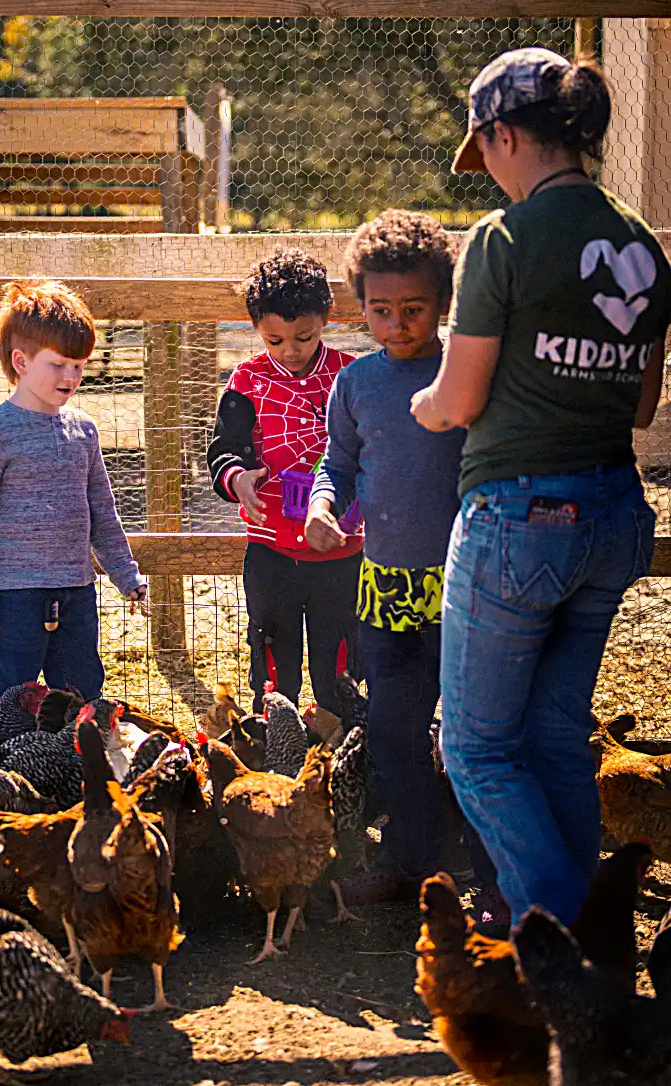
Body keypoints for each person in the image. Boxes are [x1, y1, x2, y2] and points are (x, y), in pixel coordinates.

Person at [411, 47, 671, 927]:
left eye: (482, 150)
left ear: (506, 133)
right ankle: (595, 934)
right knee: (559, 733)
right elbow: (639, 407)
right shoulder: (641, 243)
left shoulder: (503, 240)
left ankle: (561, 942)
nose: (483, 171)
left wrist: (422, 399)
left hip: (519, 517)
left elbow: (458, 400)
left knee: (477, 747)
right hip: (612, 515)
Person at [305, 211, 465, 902]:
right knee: (394, 726)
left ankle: (475, 861)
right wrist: (320, 506)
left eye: (413, 309)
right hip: (387, 586)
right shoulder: (358, 383)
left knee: (467, 729)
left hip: (463, 584)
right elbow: (337, 463)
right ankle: (408, 862)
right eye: (381, 310)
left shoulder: (464, 370)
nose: (397, 324)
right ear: (359, 305)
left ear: (443, 303)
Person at [0, 279, 147, 713]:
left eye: (79, 366)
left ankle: (75, 771)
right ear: (20, 361)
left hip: (77, 590)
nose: (71, 377)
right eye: (58, 364)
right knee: (11, 694)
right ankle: (2, 773)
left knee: (80, 692)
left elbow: (102, 511)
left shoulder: (84, 431)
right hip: (15, 594)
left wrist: (125, 574)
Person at [207, 248, 362, 714]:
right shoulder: (247, 380)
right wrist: (238, 479)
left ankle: (342, 745)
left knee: (340, 666)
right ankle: (277, 747)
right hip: (271, 548)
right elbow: (222, 447)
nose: (290, 351)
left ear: (326, 319)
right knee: (275, 666)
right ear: (256, 327)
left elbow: (370, 451)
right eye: (274, 340)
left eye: (304, 337)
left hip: (342, 548)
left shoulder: (351, 374)